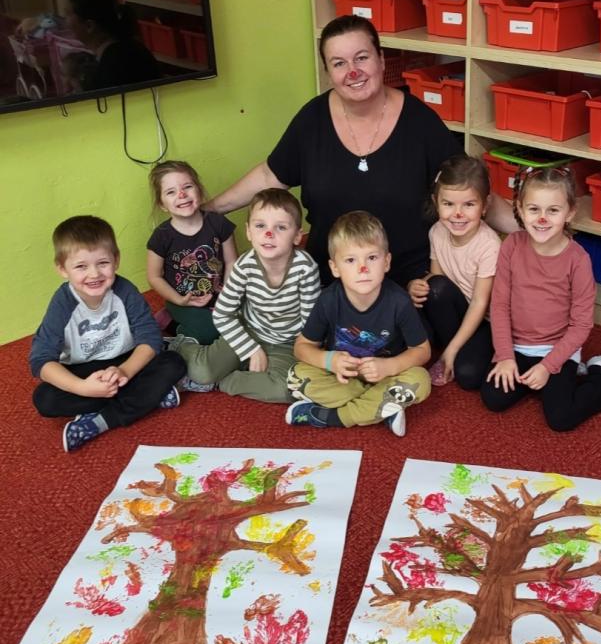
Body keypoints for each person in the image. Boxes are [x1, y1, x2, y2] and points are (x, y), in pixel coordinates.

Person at [207, 15, 516, 286]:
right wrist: (210, 209)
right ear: (328, 72)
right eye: (339, 63)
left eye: (361, 58)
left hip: (409, 283)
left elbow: (469, 187)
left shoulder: (419, 120)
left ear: (381, 60)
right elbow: (270, 174)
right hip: (331, 279)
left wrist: (529, 227)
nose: (352, 71)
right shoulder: (312, 119)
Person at [480, 165, 601, 431]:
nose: (542, 218)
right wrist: (505, 356)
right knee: (493, 398)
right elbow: (500, 306)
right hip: (518, 348)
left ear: (570, 212)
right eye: (534, 209)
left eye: (553, 210)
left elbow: (581, 325)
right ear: (519, 209)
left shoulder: (578, 260)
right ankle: (545, 381)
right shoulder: (511, 245)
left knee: (560, 418)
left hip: (557, 350)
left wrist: (548, 366)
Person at [30, 215, 186, 453]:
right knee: (45, 399)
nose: (94, 274)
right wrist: (83, 388)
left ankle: (101, 421)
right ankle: (149, 397)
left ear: (116, 260)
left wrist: (124, 371)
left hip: (124, 362)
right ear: (62, 269)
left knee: (173, 362)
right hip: (83, 370)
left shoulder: (125, 291)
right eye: (81, 266)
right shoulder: (62, 303)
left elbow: (151, 338)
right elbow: (41, 360)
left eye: (103, 263)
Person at [286, 211, 431, 438]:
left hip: (386, 375)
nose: (363, 268)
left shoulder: (399, 301)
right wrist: (330, 360)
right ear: (335, 268)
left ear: (386, 262)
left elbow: (422, 351)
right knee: (296, 375)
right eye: (351, 260)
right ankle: (382, 407)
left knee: (420, 380)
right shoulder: (328, 300)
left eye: (371, 258)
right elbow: (301, 347)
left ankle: (333, 417)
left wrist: (389, 366)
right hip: (343, 378)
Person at [169, 188, 320, 403]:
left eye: (281, 227)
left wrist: (310, 357)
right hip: (248, 331)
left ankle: (223, 381)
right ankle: (181, 345)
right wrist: (251, 348)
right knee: (202, 372)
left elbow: (311, 323)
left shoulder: (305, 268)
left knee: (288, 390)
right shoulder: (244, 266)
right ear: (249, 232)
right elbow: (222, 314)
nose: (269, 234)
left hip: (287, 343)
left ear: (297, 236)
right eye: (260, 226)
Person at [407, 154, 500, 389]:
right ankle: (447, 346)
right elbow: (437, 279)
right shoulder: (437, 231)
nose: (458, 214)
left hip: (484, 321)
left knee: (468, 376)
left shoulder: (489, 245)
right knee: (432, 289)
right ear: (436, 201)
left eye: (469, 205)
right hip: (454, 310)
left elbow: (480, 303)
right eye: (448, 204)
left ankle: (452, 349)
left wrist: (452, 350)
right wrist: (415, 285)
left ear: (485, 205)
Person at [146, 160, 237, 344]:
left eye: (187, 187)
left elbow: (231, 261)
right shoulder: (161, 236)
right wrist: (179, 300)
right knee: (210, 333)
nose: (182, 194)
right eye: (171, 192)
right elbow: (154, 276)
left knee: (246, 320)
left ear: (199, 191)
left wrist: (228, 294)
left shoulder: (218, 223)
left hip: (220, 295)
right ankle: (170, 323)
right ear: (162, 204)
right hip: (183, 301)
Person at [63, 0, 159, 90]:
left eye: (67, 14)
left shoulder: (115, 65)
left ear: (89, 26)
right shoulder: (126, 47)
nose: (65, 21)